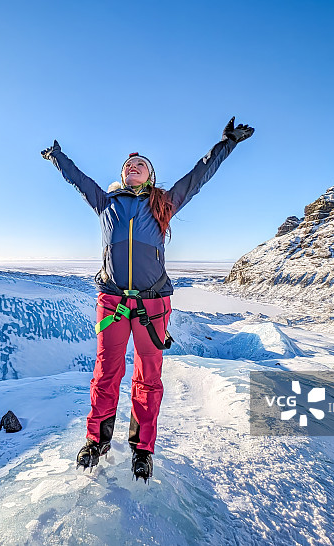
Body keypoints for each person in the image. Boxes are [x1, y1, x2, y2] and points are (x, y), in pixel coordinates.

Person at [40, 117, 254, 482]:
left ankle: (143, 448)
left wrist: (226, 144)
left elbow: (197, 177)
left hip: (153, 303)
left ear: (150, 177)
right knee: (106, 373)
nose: (132, 167)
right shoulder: (106, 204)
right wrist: (58, 157)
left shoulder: (164, 204)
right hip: (111, 302)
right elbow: (78, 180)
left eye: (140, 165)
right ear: (121, 177)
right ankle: (97, 441)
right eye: (127, 166)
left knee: (148, 377)